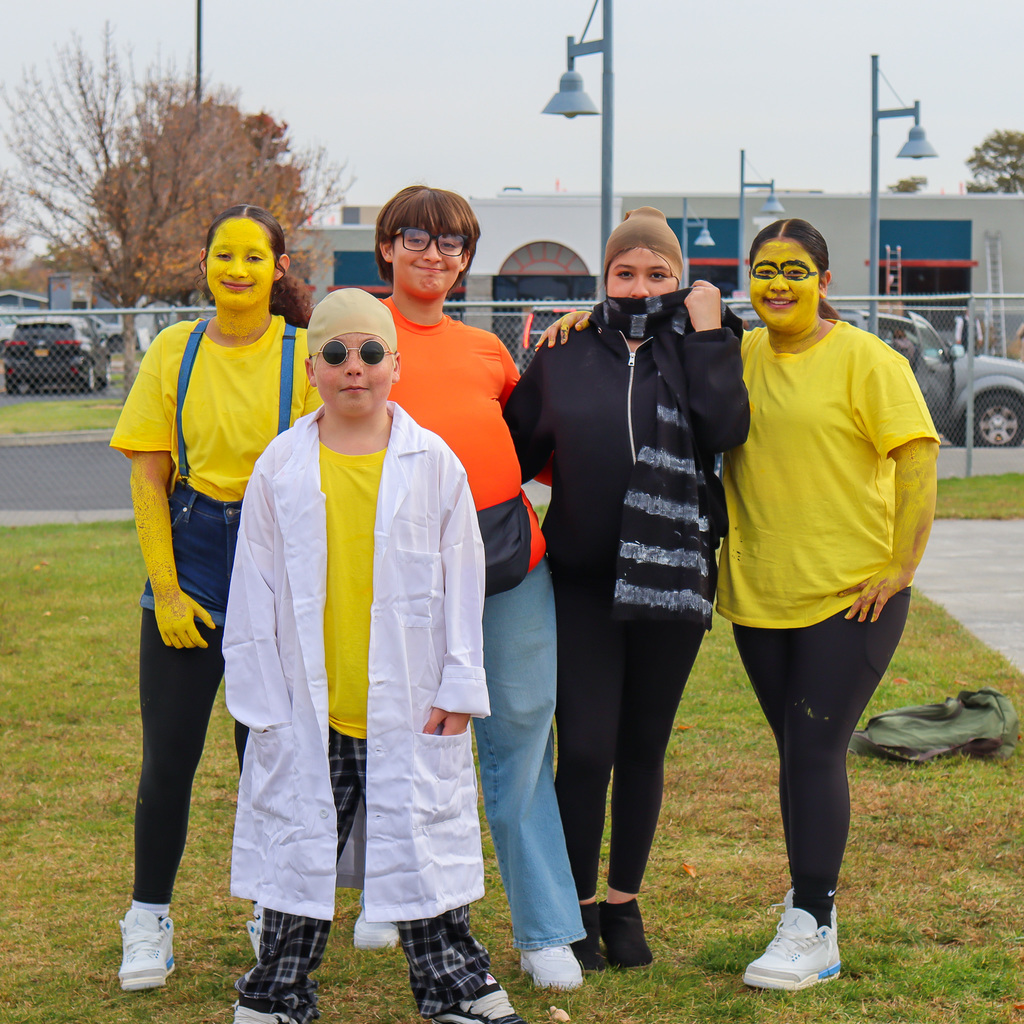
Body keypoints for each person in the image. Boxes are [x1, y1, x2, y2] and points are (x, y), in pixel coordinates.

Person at [224, 287, 527, 1024]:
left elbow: (463, 583)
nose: (351, 368)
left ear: (395, 363)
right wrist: (262, 703)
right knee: (302, 851)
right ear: (312, 369)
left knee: (420, 844)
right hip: (310, 706)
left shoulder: (434, 463)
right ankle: (277, 993)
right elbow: (252, 590)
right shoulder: (282, 466)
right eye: (334, 354)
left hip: (412, 701)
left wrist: (459, 685)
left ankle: (455, 987)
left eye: (368, 353)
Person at [503, 208, 749, 970]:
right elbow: (509, 450)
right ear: (603, 278)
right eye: (624, 273)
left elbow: (724, 428)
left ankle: (623, 902)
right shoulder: (565, 352)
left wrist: (706, 330)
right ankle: (573, 903)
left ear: (679, 279)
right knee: (582, 749)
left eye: (657, 274)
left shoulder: (705, 346)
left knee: (643, 746)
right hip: (580, 580)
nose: (640, 285)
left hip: (672, 583)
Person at [716, 219, 939, 990]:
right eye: (766, 269)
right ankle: (815, 908)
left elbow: (916, 458)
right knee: (796, 753)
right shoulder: (738, 355)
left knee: (813, 749)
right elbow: (650, 326)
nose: (779, 283)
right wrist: (583, 318)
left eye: (796, 270)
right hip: (759, 594)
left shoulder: (866, 361)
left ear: (824, 280)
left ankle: (812, 921)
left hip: (851, 598)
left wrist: (901, 566)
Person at [375, 186, 586, 990]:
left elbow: (538, 443)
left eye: (454, 244)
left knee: (525, 730)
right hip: (399, 574)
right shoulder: (354, 335)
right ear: (387, 246)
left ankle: (544, 930)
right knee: (406, 736)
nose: (435, 255)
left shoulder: (488, 351)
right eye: (418, 238)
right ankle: (397, 900)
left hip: (508, 564)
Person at [109, 205, 321, 990]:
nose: (237, 268)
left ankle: (271, 908)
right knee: (169, 759)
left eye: (253, 257)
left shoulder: (303, 354)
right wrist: (165, 590)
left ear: (278, 267)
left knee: (266, 757)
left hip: (275, 558)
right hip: (192, 551)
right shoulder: (174, 349)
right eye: (223, 255)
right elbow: (147, 475)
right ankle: (147, 918)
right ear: (205, 264)